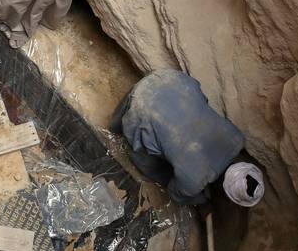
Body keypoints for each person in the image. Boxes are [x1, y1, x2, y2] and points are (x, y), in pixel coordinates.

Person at [108, 69, 266, 207]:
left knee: (198, 109)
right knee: (154, 167)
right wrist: (199, 200)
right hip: (143, 107)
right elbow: (175, 194)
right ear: (225, 192)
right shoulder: (193, 182)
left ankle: (117, 122)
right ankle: (120, 125)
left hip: (172, 80)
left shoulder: (237, 138)